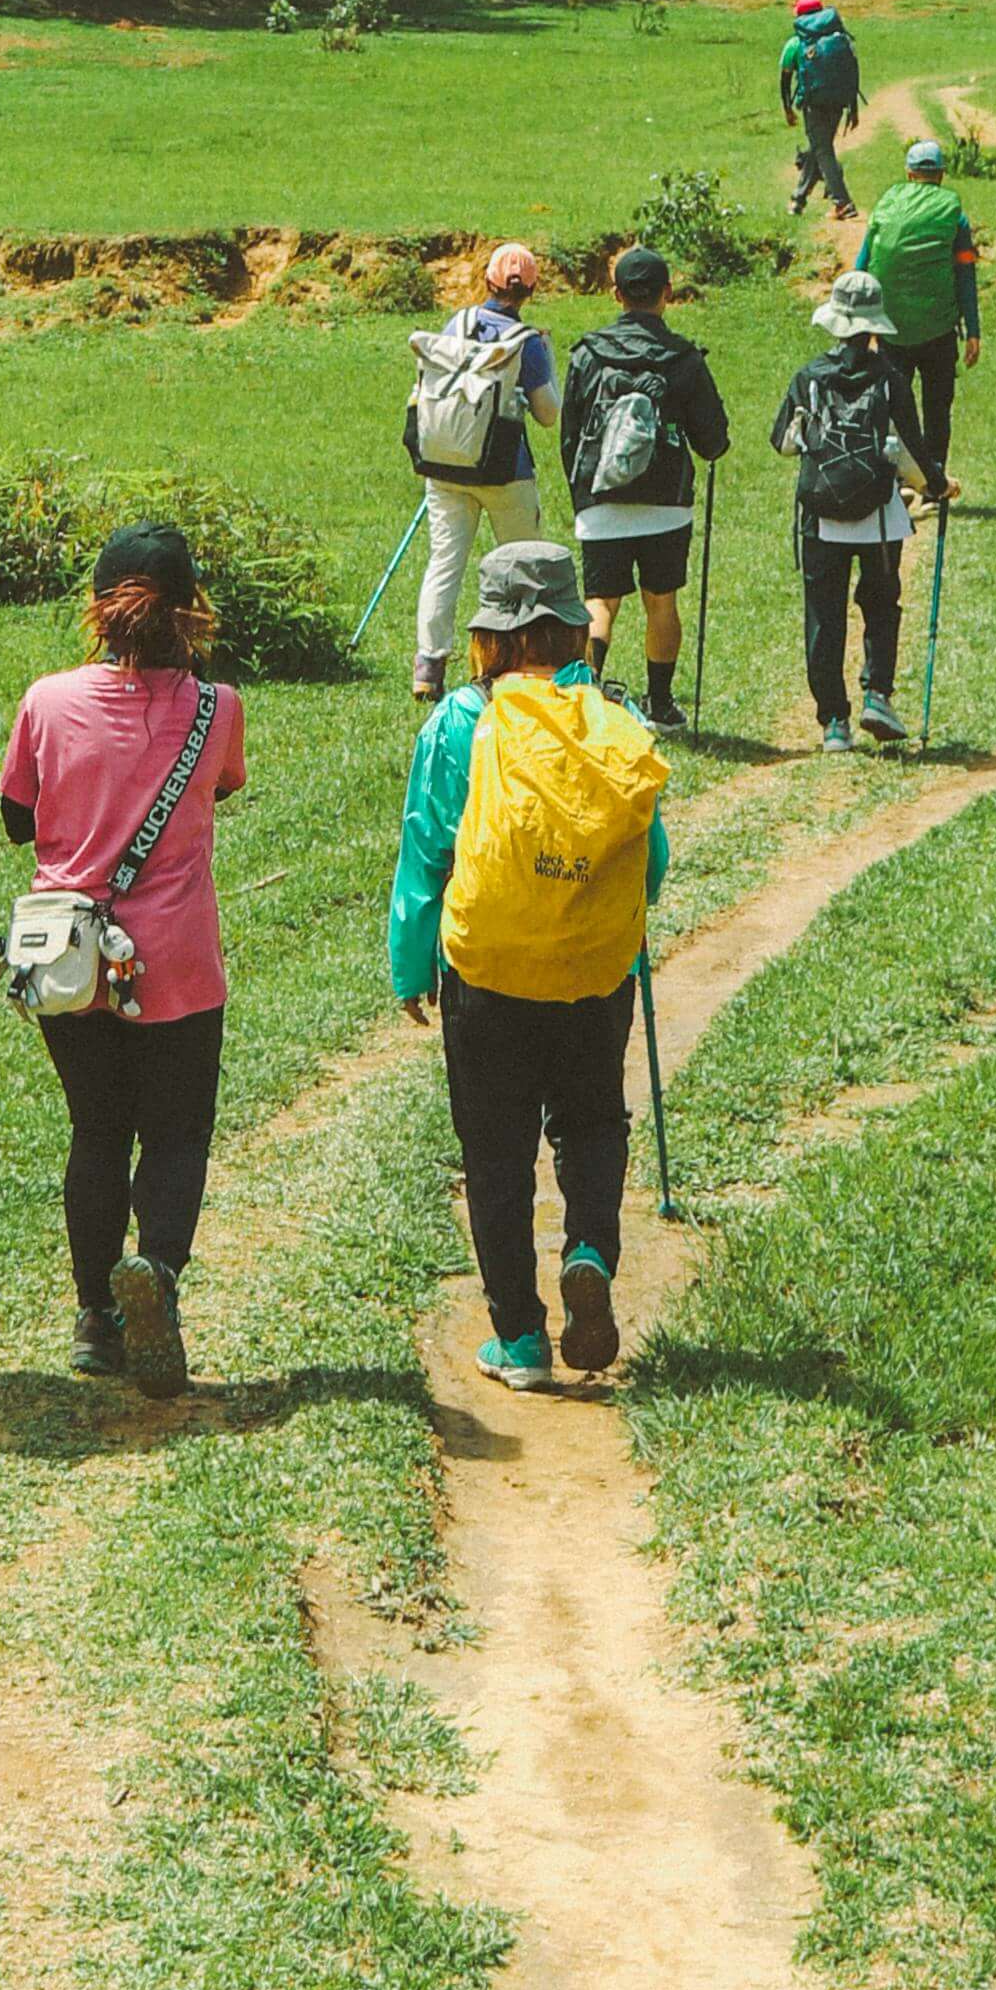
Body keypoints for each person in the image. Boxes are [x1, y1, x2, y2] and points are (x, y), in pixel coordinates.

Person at [388, 539, 671, 1389]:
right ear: (575, 626)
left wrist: (410, 965)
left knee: (496, 1152)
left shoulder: (459, 721)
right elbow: (651, 860)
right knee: (593, 1122)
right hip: (594, 969)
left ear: (490, 635)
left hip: (488, 972)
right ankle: (589, 1252)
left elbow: (427, 853)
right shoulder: (614, 719)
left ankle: (519, 1340)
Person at [0, 520, 247, 1392]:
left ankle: (95, 1318)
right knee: (177, 1134)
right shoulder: (218, 709)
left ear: (98, 610)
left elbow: (17, 819)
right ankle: (158, 1276)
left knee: (96, 1131)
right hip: (176, 960)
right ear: (191, 612)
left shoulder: (46, 700)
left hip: (69, 960)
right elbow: (224, 786)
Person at [555, 242, 730, 730]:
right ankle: (661, 704)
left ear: (616, 294)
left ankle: (587, 699)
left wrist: (584, 495)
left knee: (600, 603)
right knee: (661, 601)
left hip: (601, 498)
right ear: (667, 293)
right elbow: (713, 442)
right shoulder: (685, 358)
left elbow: (570, 436)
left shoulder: (588, 354)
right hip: (665, 503)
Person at [770, 266, 941, 751]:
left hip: (821, 515)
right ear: (873, 327)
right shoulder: (890, 380)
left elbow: (782, 443)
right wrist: (937, 484)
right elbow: (912, 452)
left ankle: (833, 724)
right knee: (881, 605)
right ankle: (877, 695)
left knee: (824, 615)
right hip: (879, 518)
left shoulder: (808, 377)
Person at [403, 238, 561, 704]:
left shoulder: (458, 323)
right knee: (522, 564)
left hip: (446, 464)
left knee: (444, 563)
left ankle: (429, 666)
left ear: (487, 281)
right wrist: (548, 359)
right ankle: (519, 659)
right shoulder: (527, 343)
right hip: (504, 470)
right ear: (530, 289)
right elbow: (548, 414)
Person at [855, 131, 984, 493]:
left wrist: (859, 325)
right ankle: (934, 481)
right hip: (939, 331)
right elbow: (965, 275)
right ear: (941, 175)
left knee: (894, 408)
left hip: (892, 329)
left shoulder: (886, 205)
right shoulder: (955, 217)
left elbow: (862, 264)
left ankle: (896, 480)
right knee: (937, 409)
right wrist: (973, 330)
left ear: (909, 174)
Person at [778, 0, 862, 220]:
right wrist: (853, 109)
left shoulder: (796, 43)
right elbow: (852, 73)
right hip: (838, 102)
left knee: (822, 150)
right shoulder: (841, 40)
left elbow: (785, 80)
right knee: (819, 148)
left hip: (813, 104)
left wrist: (787, 109)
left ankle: (842, 203)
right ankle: (798, 200)